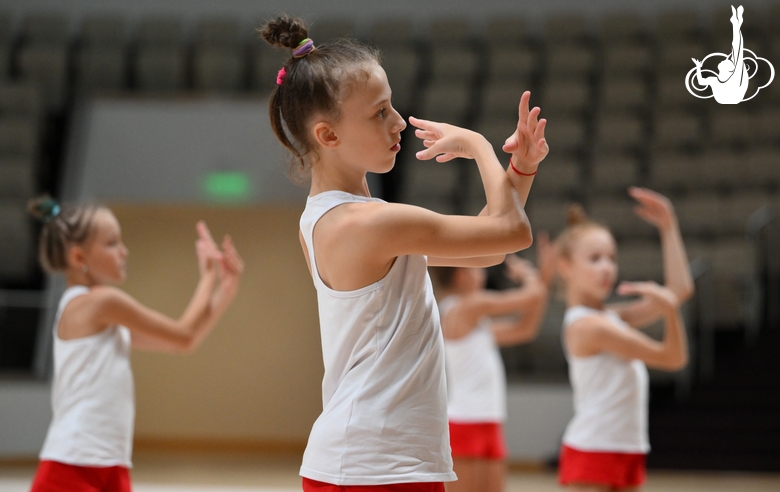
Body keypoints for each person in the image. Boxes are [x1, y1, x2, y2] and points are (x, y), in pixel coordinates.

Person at [259, 15, 548, 492]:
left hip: (375, 462)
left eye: (392, 106)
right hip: (373, 465)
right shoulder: (370, 224)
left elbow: (486, 250)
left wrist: (520, 168)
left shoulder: (340, 219)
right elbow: (511, 232)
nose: (398, 122)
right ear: (328, 136)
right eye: (379, 113)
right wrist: (478, 144)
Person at [27, 196, 243, 492]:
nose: (124, 251)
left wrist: (225, 290)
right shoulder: (101, 303)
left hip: (110, 464)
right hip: (72, 467)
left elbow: (184, 343)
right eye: (112, 243)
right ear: (79, 258)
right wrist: (208, 278)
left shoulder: (99, 314)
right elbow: (182, 333)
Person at [554, 188, 693, 491]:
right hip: (595, 450)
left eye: (611, 258)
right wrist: (669, 312)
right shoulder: (590, 327)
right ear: (565, 267)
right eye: (594, 259)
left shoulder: (610, 317)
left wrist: (668, 226)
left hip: (626, 447)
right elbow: (673, 358)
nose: (607, 267)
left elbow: (679, 290)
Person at [432, 240, 554, 492]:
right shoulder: (465, 308)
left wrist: (546, 277)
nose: (483, 273)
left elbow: (525, 329)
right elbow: (531, 296)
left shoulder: (476, 322)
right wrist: (532, 274)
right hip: (466, 422)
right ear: (461, 274)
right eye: (477, 267)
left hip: (488, 420)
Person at [692, 5, 748, 104]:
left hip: (733, 97)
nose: (725, 59)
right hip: (728, 99)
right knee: (736, 51)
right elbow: (701, 82)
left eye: (727, 61)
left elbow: (737, 49)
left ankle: (736, 24)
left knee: (737, 50)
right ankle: (736, 24)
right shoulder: (714, 80)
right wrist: (698, 67)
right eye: (728, 60)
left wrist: (736, 26)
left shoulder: (734, 78)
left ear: (729, 69)